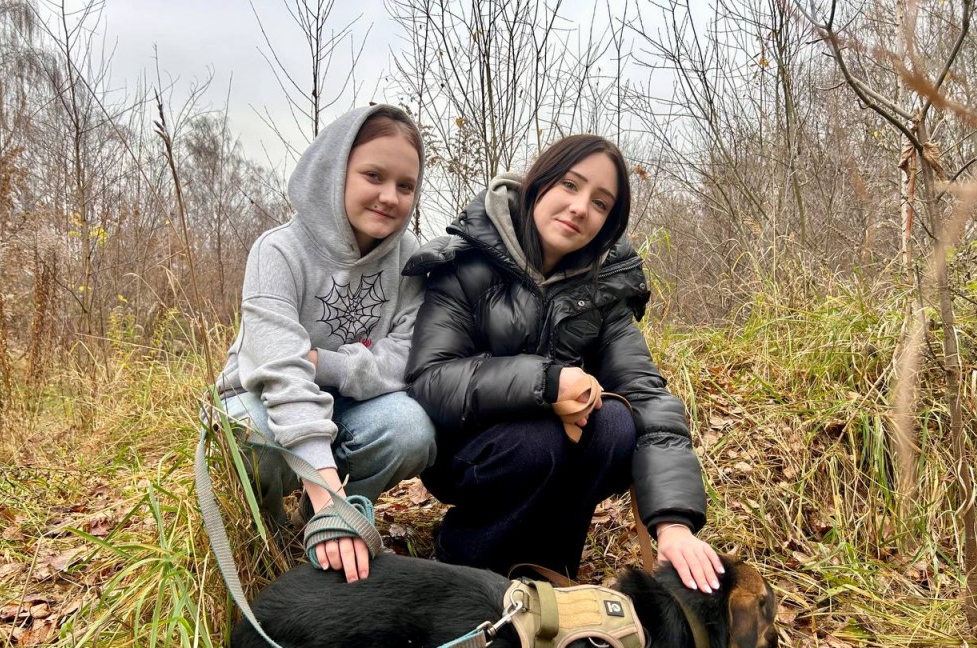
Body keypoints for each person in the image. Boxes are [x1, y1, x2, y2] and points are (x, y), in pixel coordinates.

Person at [402, 134, 723, 592]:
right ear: (539, 183)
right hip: (467, 449)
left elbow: (646, 394)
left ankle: (549, 568)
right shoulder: (466, 260)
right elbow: (430, 378)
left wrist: (673, 522)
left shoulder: (605, 287)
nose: (579, 208)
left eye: (600, 203)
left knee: (614, 424)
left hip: (557, 440)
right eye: (570, 186)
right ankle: (464, 564)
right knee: (540, 442)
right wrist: (548, 383)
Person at [215, 105, 436, 583]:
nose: (389, 196)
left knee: (411, 427)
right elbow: (282, 373)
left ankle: (340, 517)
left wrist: (323, 363)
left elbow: (403, 358)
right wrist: (324, 489)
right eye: (373, 175)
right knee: (249, 436)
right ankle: (270, 531)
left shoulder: (412, 259)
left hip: (352, 404)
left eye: (405, 185)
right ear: (335, 172)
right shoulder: (278, 251)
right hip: (263, 399)